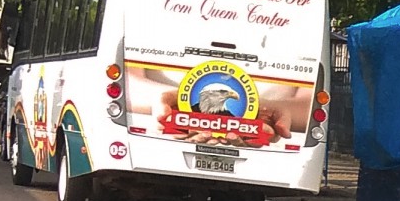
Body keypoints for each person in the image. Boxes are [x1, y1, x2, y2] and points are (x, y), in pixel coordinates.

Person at [125, 66, 312, 148]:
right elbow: (124, 79)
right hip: (157, 135)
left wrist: (272, 113)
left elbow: (310, 100)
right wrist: (171, 103)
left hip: (266, 140)